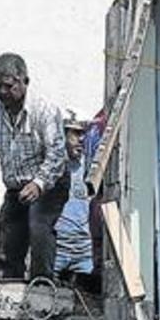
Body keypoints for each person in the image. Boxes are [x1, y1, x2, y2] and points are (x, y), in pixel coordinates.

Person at [0, 53, 66, 280]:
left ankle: (42, 284)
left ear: (24, 81)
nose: (2, 92)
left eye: (8, 86)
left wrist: (39, 184)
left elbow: (57, 154)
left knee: (38, 226)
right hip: (16, 186)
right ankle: (9, 286)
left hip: (49, 182)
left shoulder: (45, 110)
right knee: (8, 228)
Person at [53, 113, 96, 286]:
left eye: (83, 134)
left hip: (83, 251)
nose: (81, 139)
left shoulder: (87, 167)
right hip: (56, 249)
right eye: (76, 134)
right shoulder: (51, 167)